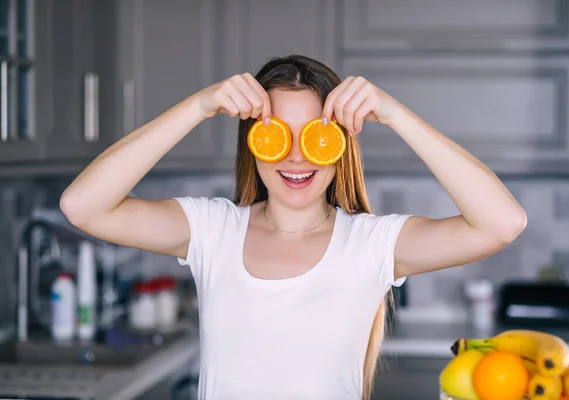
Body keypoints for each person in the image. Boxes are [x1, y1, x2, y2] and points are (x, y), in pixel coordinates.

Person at [60, 55, 527, 400]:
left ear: (339, 145)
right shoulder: (211, 230)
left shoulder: (371, 244)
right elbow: (83, 206)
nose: (296, 156)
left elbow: (502, 223)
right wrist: (198, 107)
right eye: (277, 135)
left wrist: (394, 114)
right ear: (253, 144)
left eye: (315, 136)